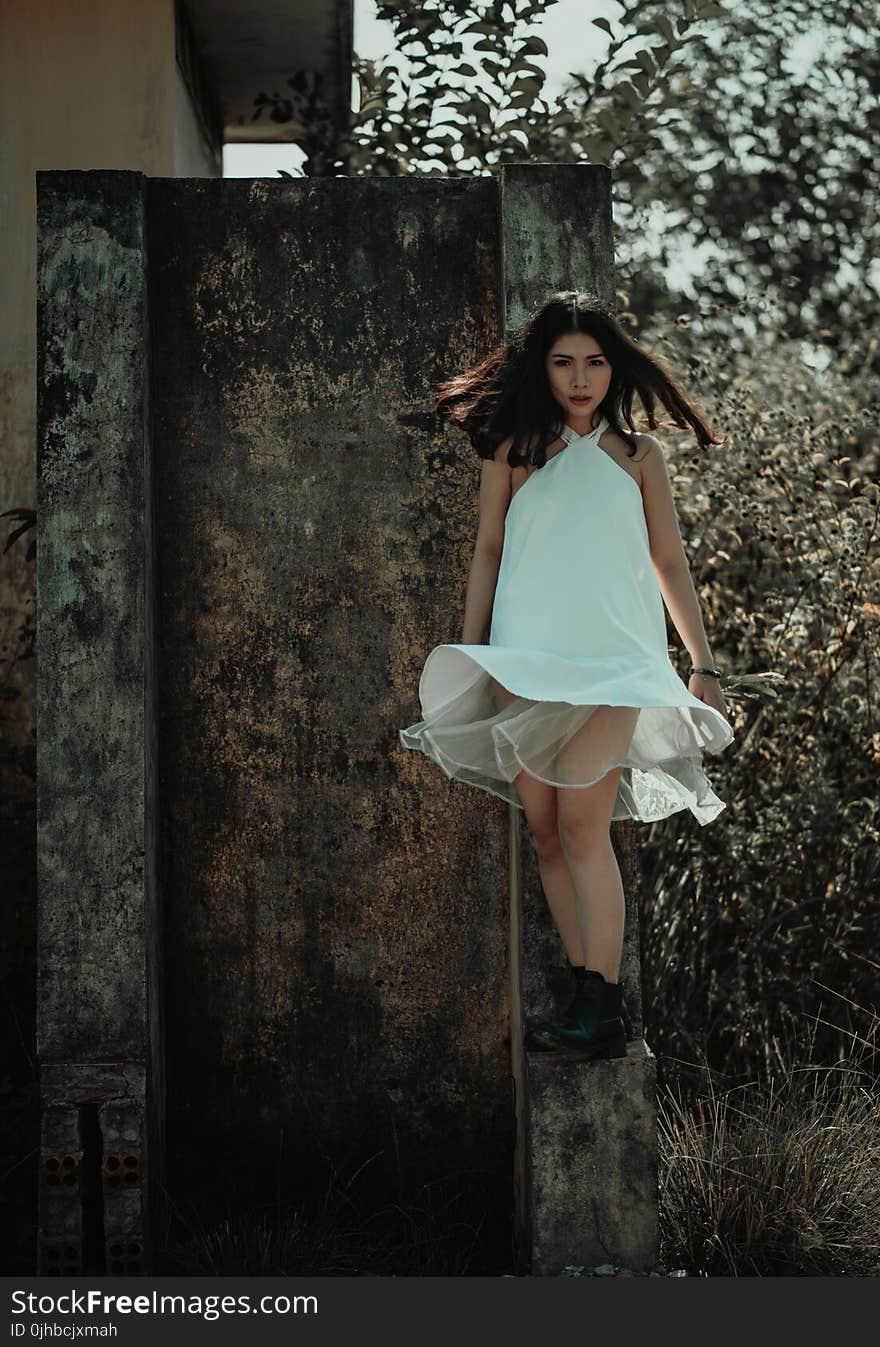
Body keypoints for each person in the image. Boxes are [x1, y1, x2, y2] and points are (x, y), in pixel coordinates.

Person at [399, 291, 735, 1060]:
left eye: (593, 362)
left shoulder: (640, 457)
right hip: (525, 660)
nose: (580, 378)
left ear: (613, 368)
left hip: (615, 664)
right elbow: (488, 552)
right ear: (541, 369)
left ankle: (601, 1004)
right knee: (547, 832)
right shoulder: (513, 450)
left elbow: (670, 561)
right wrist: (473, 659)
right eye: (562, 363)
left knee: (584, 827)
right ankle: (589, 996)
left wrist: (703, 664)